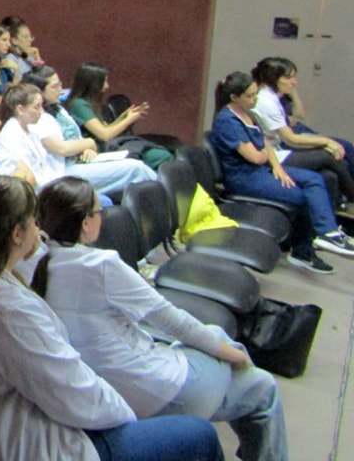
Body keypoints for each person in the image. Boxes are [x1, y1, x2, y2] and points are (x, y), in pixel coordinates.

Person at [0, 175, 224, 461]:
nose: (41, 230)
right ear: (17, 233)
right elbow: (75, 396)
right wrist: (128, 417)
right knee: (200, 435)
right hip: (33, 447)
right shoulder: (6, 310)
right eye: (34, 222)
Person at [35, 176, 287, 461]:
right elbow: (173, 320)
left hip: (108, 389)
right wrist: (235, 356)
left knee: (223, 344)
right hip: (155, 393)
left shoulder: (38, 262)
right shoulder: (101, 265)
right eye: (99, 212)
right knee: (261, 383)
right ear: (85, 223)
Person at [210, 71, 340, 272]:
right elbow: (256, 156)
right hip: (244, 179)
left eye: (255, 94)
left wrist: (277, 167)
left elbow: (264, 147)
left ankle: (328, 233)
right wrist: (264, 151)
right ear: (234, 98)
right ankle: (302, 251)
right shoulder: (227, 121)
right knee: (302, 196)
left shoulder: (248, 114)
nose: (255, 99)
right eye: (250, 96)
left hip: (262, 171)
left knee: (314, 179)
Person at [26, 67, 156, 198]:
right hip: (62, 170)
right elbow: (61, 149)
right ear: (39, 92)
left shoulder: (59, 108)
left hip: (82, 160)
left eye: (60, 84)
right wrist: (89, 143)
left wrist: (86, 149)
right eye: (54, 86)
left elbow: (75, 138)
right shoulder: (37, 118)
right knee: (136, 169)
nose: (60, 89)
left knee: (134, 162)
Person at [251, 56, 354, 213]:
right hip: (274, 156)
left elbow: (296, 119)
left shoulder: (271, 97)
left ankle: (338, 210)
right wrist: (327, 141)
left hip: (278, 149)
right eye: (288, 77)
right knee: (330, 155)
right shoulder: (266, 101)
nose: (294, 82)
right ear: (273, 78)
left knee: (330, 174)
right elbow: (291, 139)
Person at [0, 84, 112, 205]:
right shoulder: (11, 136)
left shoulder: (32, 129)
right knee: (101, 202)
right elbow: (30, 180)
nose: (42, 112)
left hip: (52, 184)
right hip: (40, 195)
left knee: (98, 198)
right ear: (20, 109)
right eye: (37, 107)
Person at [65, 63, 171, 170]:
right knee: (159, 156)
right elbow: (105, 135)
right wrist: (129, 120)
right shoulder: (79, 105)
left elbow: (106, 128)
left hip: (109, 144)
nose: (107, 86)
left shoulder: (91, 103)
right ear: (93, 83)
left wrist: (123, 117)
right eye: (104, 81)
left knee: (161, 153)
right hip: (101, 149)